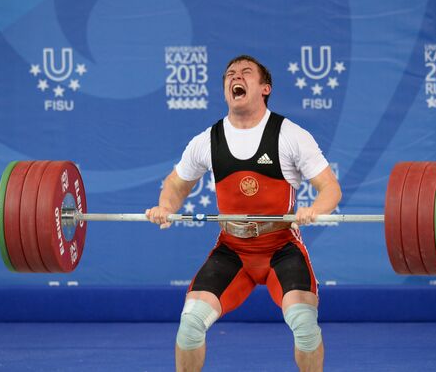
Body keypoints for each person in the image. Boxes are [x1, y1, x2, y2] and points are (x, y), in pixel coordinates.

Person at [146, 55, 341, 372]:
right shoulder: (207, 140)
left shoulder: (290, 135)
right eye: (230, 74)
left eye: (246, 72)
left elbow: (330, 188)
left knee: (304, 326)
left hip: (282, 248)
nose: (236, 76)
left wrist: (315, 210)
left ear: (264, 88)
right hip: (232, 250)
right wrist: (166, 207)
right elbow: (176, 184)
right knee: (190, 325)